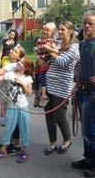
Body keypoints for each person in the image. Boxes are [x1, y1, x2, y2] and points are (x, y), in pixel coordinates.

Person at [0, 53, 34, 163]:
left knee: (24, 129)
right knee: (8, 129)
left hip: (23, 108)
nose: (18, 62)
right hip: (11, 107)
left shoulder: (28, 78)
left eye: (21, 62)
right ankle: (3, 151)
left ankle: (24, 152)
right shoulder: (10, 74)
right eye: (19, 61)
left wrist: (22, 83)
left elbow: (29, 93)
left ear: (26, 67)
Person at [43, 20, 80, 156]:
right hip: (51, 85)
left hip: (62, 87)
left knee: (59, 116)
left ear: (70, 31)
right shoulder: (57, 44)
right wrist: (44, 52)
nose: (60, 31)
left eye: (63, 29)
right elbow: (48, 59)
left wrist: (51, 52)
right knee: (49, 114)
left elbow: (63, 62)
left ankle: (67, 140)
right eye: (59, 29)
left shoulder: (75, 47)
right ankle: (52, 143)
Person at [72, 10, 95, 177]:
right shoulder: (82, 44)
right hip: (83, 92)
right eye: (84, 23)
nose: (86, 26)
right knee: (86, 130)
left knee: (92, 131)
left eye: (91, 23)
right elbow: (80, 67)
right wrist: (76, 86)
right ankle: (88, 159)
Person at [33, 22, 58, 108]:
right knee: (36, 80)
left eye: (47, 30)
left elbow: (56, 51)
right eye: (44, 30)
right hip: (38, 63)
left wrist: (49, 48)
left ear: (52, 32)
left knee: (42, 78)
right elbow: (36, 51)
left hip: (46, 64)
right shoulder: (40, 40)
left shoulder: (51, 42)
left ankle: (44, 96)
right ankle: (36, 97)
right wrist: (37, 57)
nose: (45, 31)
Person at [0, 30, 18, 126]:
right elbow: (1, 50)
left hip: (11, 65)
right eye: (10, 33)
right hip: (4, 62)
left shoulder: (16, 44)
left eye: (13, 35)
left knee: (11, 95)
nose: (11, 35)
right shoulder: (4, 41)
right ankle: (4, 117)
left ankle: (12, 116)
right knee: (3, 95)